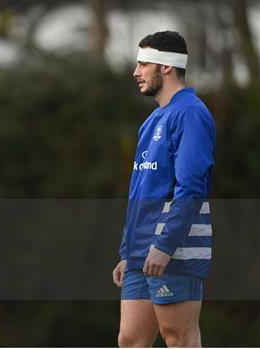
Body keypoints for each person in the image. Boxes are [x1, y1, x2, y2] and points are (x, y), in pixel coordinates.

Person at [112, 31, 215, 347]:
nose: (136, 72)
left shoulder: (190, 113)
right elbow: (141, 192)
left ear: (166, 67)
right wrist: (128, 252)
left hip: (175, 248)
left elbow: (192, 186)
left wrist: (166, 244)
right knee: (131, 340)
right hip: (140, 251)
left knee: (178, 338)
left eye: (143, 64)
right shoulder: (152, 121)